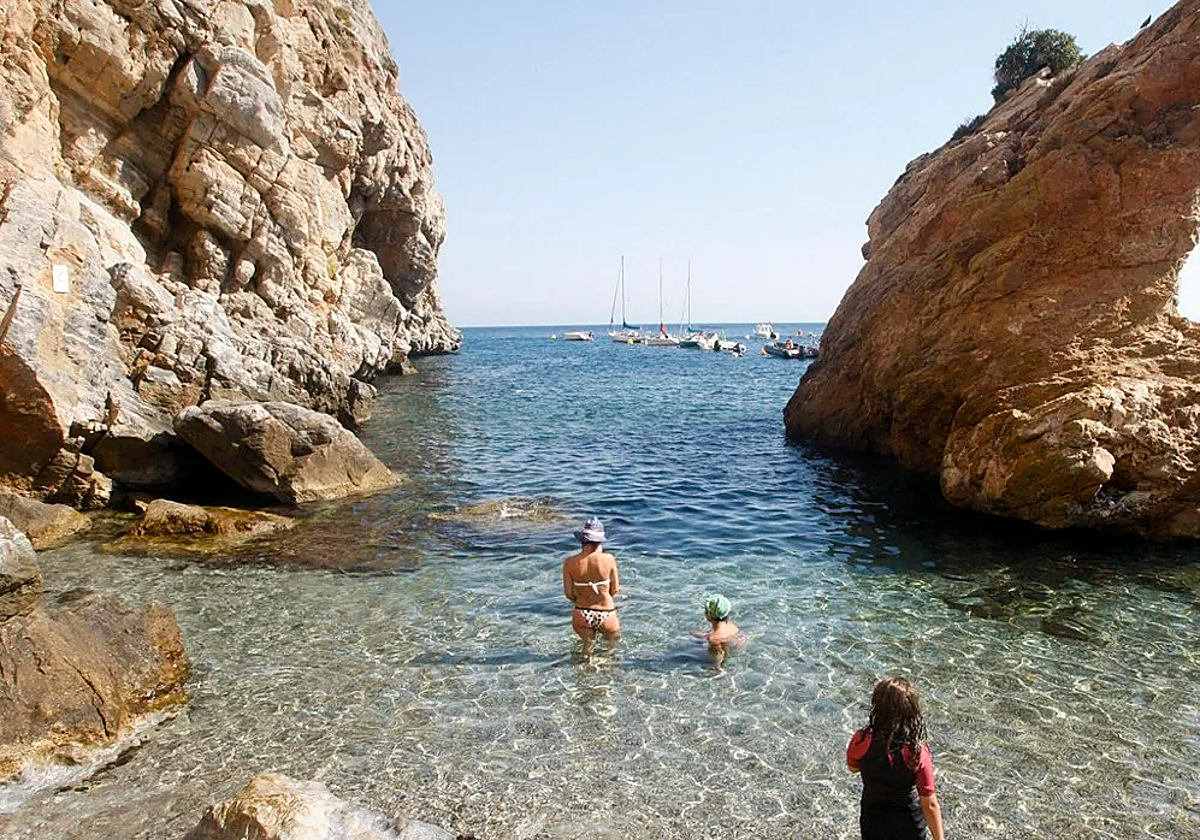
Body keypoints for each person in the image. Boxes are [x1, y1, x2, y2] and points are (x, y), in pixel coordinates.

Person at [847, 677, 945, 840]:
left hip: (873, 819)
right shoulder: (916, 751)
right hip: (908, 824)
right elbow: (930, 803)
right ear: (911, 712)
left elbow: (853, 767)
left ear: (876, 706)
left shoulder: (861, 739)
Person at [562, 517, 620, 650]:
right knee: (611, 651)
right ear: (600, 541)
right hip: (606, 612)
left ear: (582, 541)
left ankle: (585, 668)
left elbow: (569, 594)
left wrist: (583, 598)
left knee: (586, 651)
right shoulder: (609, 559)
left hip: (582, 612)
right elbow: (615, 589)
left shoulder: (569, 562)